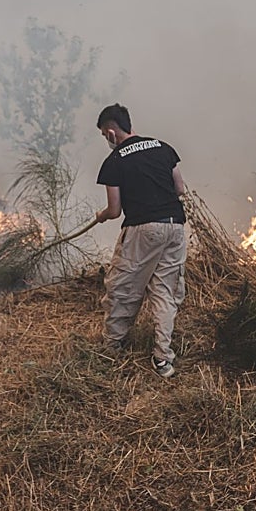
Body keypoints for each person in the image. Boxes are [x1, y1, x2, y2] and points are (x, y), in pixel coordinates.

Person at [93, 103, 188, 378]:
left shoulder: (114, 161)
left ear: (111, 132)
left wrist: (101, 215)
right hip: (175, 226)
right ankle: (163, 359)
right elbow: (179, 188)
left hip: (142, 230)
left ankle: (112, 347)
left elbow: (114, 210)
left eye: (104, 135)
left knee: (123, 286)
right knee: (165, 292)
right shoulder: (162, 147)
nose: (106, 141)